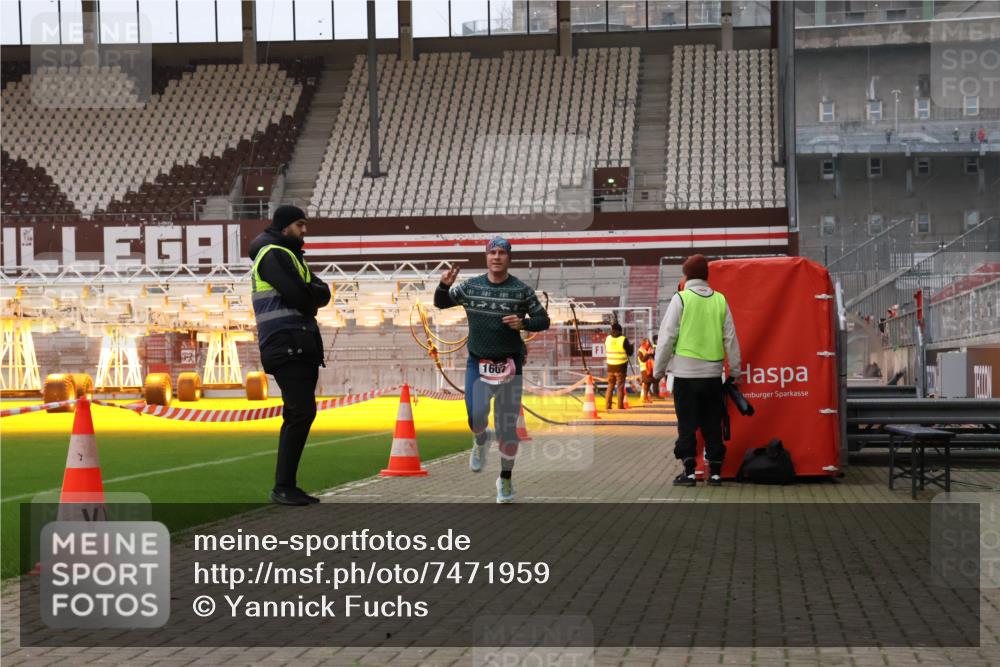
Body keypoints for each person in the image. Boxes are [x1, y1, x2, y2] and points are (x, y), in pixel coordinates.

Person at [435, 236, 550, 503]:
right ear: (486, 257)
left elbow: (543, 320)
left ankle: (506, 481)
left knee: (508, 429)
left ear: (509, 258)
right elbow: (441, 303)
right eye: (492, 252)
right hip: (478, 362)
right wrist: (444, 285)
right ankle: (478, 440)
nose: (496, 257)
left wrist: (524, 323)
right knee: (476, 416)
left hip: (510, 364)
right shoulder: (470, 287)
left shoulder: (521, 291)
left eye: (502, 252)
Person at [249, 205, 331, 506]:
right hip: (287, 343)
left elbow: (322, 292)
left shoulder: (290, 257)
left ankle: (286, 486)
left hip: (297, 343)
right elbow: (305, 299)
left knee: (301, 412)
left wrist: (312, 296)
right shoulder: (273, 255)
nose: (304, 230)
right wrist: (311, 298)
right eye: (300, 225)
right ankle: (283, 487)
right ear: (285, 227)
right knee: (299, 412)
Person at [653, 254, 742, 487]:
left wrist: (658, 370)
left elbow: (667, 338)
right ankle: (715, 473)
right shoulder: (720, 300)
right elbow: (730, 338)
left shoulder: (681, 299)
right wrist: (736, 371)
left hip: (685, 375)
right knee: (713, 423)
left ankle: (689, 472)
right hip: (713, 375)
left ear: (687, 275)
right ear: (706, 275)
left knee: (687, 425)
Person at [604, 322, 633, 410]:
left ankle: (608, 406)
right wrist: (631, 346)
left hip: (610, 367)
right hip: (620, 367)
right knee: (620, 387)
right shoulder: (623, 339)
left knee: (610, 386)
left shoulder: (607, 338)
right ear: (620, 331)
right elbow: (630, 353)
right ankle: (620, 406)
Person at [637, 337, 655, 404]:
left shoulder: (651, 349)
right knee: (646, 382)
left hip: (650, 368)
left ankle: (646, 397)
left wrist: (651, 353)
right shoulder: (640, 350)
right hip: (644, 368)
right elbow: (643, 359)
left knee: (649, 382)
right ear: (644, 343)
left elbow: (654, 357)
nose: (648, 344)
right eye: (647, 343)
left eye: (648, 343)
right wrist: (648, 354)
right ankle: (644, 397)